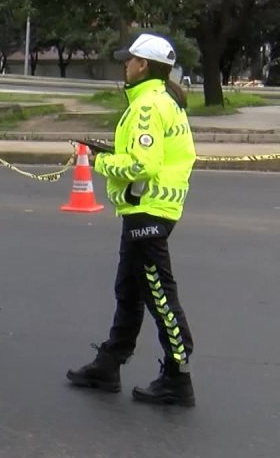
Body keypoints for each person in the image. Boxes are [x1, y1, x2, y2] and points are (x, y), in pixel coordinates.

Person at [66, 32, 198, 407]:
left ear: (143, 65)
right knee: (130, 291)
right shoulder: (164, 100)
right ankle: (109, 363)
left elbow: (143, 163)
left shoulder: (148, 105)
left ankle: (179, 376)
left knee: (159, 296)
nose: (124, 64)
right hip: (149, 210)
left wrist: (100, 161)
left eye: (129, 60)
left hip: (148, 212)